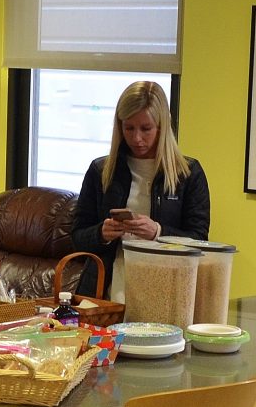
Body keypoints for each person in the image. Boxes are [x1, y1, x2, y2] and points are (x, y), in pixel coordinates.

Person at [71, 80, 210, 301]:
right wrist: (101, 233)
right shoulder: (101, 170)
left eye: (146, 129)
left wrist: (158, 232)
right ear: (119, 126)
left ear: (162, 126)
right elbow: (77, 236)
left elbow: (199, 240)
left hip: (166, 288)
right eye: (129, 128)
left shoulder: (188, 173)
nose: (137, 138)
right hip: (109, 288)